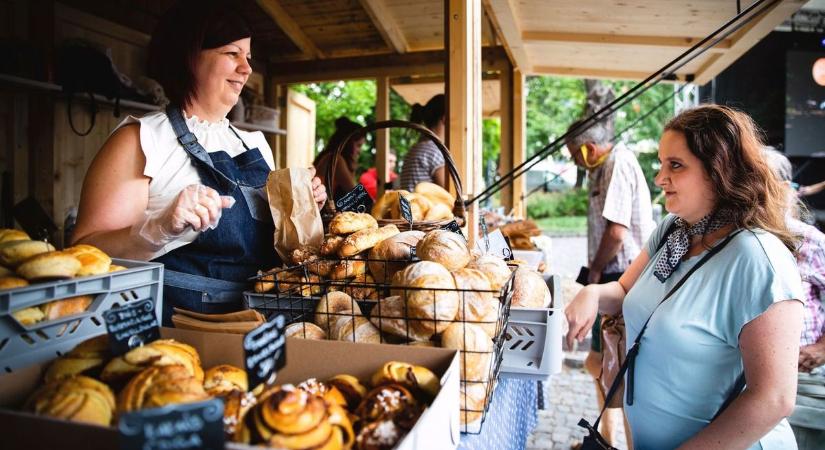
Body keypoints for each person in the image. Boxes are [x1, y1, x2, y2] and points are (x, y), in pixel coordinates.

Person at [71, 0, 327, 325]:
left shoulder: (255, 144)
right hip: (180, 332)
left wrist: (301, 207)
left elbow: (278, 249)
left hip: (261, 325)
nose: (247, 69)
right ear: (189, 55)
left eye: (247, 57)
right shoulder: (142, 140)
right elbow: (84, 251)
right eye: (231, 54)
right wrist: (157, 229)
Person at [566, 105, 803, 449]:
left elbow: (774, 399)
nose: (661, 178)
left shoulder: (757, 259)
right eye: (662, 164)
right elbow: (623, 290)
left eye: (675, 165)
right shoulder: (672, 232)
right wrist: (592, 293)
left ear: (719, 169)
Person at [565, 117, 655, 447]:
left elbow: (617, 232)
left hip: (621, 277)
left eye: (574, 155)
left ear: (588, 148)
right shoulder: (604, 167)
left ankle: (619, 443)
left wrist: (594, 274)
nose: (575, 161)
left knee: (620, 371)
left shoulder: (618, 162)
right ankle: (607, 438)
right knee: (599, 363)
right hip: (612, 274)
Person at [400, 94, 447, 191]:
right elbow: (451, 192)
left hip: (410, 205)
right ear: (445, 118)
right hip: (423, 206)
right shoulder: (434, 151)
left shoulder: (417, 148)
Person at [313, 117, 366, 201]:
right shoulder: (336, 160)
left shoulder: (331, 157)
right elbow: (356, 195)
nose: (359, 151)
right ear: (349, 143)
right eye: (358, 145)